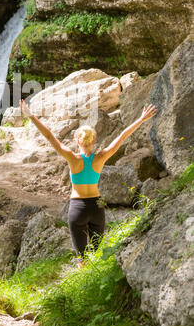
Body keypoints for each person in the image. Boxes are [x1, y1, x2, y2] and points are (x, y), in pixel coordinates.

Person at [19, 99, 157, 268]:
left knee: (82, 259)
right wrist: (141, 119)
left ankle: (82, 282)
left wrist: (31, 116)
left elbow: (49, 136)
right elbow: (122, 137)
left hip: (77, 208)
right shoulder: (100, 157)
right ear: (93, 141)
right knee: (97, 254)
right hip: (96, 207)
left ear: (78, 141)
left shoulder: (72, 158)